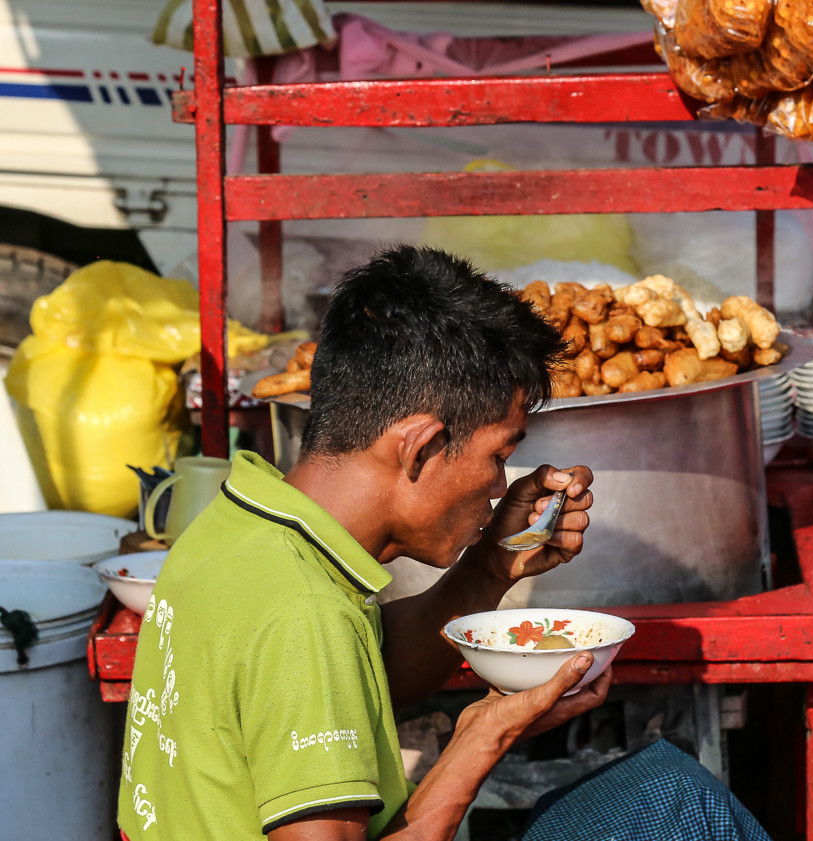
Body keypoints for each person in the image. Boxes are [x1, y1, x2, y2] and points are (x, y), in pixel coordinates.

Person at [116, 245, 772, 840]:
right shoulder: (301, 611)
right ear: (424, 445)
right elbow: (312, 652)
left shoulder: (242, 524)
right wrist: (482, 736)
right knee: (677, 805)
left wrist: (493, 563)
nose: (497, 483)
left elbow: (364, 674)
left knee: (649, 793)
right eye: (498, 454)